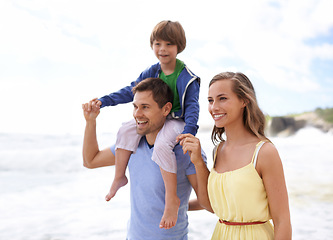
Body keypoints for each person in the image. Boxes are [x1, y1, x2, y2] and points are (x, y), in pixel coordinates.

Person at [88, 20, 200, 229]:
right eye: (157, 44)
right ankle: (119, 177)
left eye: (169, 44)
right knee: (125, 130)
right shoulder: (152, 71)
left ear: (179, 46)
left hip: (176, 121)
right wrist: (104, 101)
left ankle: (171, 199)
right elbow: (132, 90)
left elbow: (193, 107)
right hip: (157, 119)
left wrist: (188, 133)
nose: (162, 49)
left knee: (162, 145)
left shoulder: (187, 78)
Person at [82, 78, 206, 239]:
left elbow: (207, 203)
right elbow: (90, 161)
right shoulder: (131, 145)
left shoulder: (185, 151)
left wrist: (179, 206)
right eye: (135, 107)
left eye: (145, 107)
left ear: (166, 109)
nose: (137, 114)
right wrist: (90, 121)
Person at [177, 72, 292, 239]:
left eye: (222, 98)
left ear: (244, 101)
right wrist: (198, 163)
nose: (214, 107)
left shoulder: (265, 152)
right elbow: (210, 205)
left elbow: (282, 221)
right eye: (210, 100)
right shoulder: (218, 150)